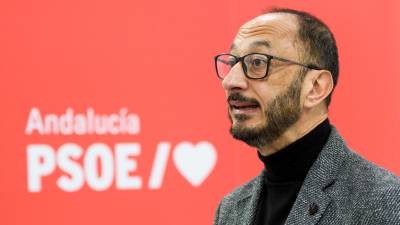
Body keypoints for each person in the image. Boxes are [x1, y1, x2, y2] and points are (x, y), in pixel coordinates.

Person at [213, 7, 400, 225]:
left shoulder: (385, 201)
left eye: (257, 62)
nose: (230, 81)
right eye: (232, 63)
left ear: (315, 87)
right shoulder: (231, 208)